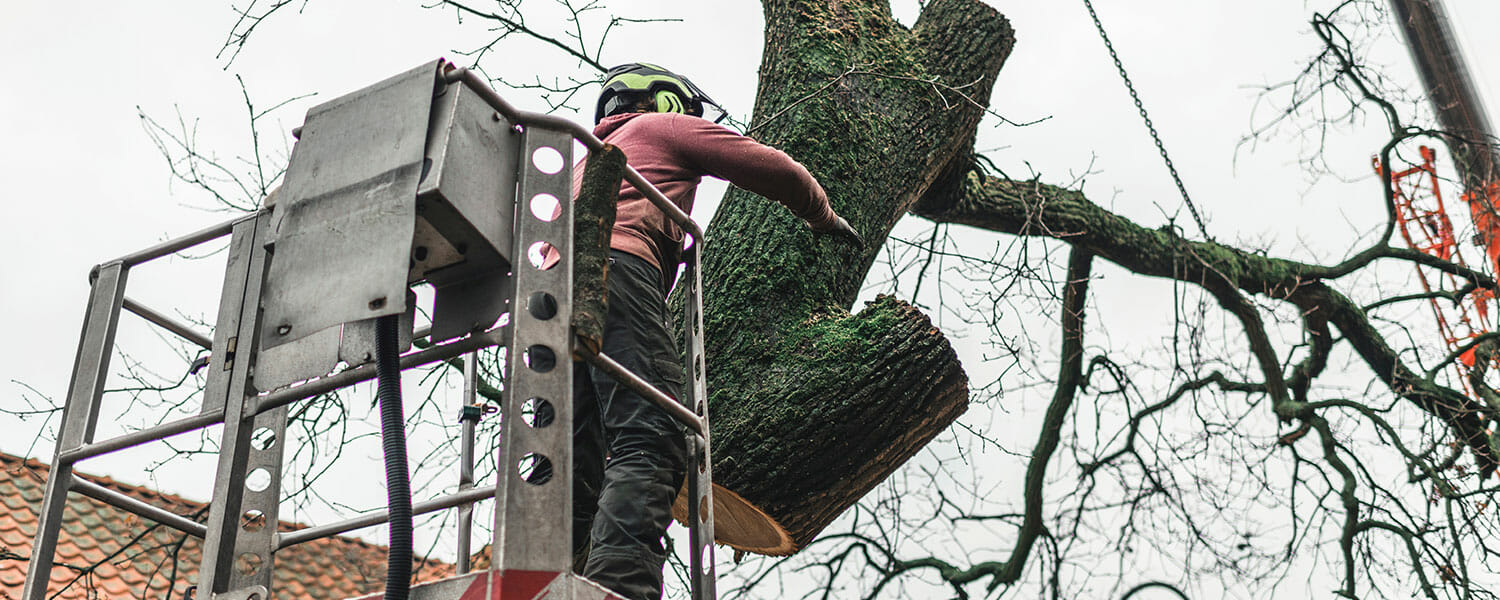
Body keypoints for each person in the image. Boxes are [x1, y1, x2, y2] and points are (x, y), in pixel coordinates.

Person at [570, 63, 862, 600]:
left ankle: (551, 573)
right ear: (663, 102)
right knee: (651, 435)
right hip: (616, 273)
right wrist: (821, 214)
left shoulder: (580, 162)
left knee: (574, 452)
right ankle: (617, 589)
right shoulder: (661, 128)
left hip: (546, 303)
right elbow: (768, 165)